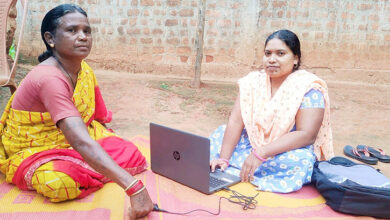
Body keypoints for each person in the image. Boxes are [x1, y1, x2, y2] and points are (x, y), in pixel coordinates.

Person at [0, 4, 153, 219]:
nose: (83, 37)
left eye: (86, 31)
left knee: (132, 154)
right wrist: (134, 188)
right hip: (35, 148)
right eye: (72, 30)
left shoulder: (83, 69)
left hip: (74, 136)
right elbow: (80, 141)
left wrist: (104, 138)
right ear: (50, 38)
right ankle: (93, 165)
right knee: (60, 183)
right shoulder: (49, 78)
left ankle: (92, 164)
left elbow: (95, 119)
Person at [210, 29, 334, 193]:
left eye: (280, 54)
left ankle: (244, 168)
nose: (272, 60)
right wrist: (224, 158)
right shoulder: (252, 83)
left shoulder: (309, 88)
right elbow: (235, 121)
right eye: (267, 54)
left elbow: (306, 135)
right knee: (221, 133)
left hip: (284, 150)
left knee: (301, 161)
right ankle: (232, 166)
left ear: (295, 58)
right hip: (250, 144)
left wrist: (261, 153)